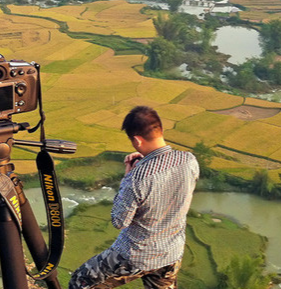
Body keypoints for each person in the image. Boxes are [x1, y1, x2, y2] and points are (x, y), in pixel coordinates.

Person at [69, 106, 199, 289]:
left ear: (137, 140)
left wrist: (128, 176)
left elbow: (119, 221)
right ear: (160, 130)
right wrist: (147, 161)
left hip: (135, 255)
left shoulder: (138, 177)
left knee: (80, 282)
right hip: (171, 253)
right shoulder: (189, 160)